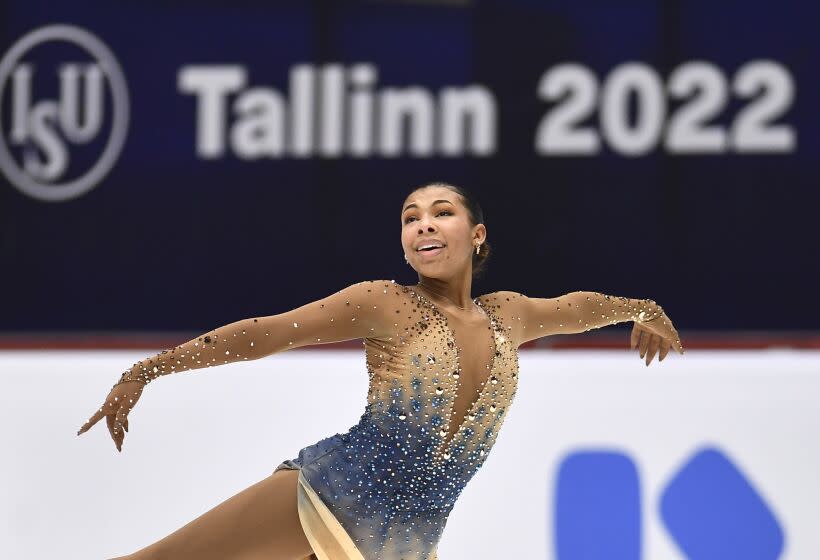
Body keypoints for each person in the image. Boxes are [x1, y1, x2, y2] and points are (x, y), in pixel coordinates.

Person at [78, 181, 683, 560]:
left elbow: (577, 308)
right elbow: (267, 332)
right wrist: (151, 368)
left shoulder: (509, 318)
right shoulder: (384, 303)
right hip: (323, 499)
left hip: (405, 548)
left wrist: (644, 308)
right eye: (409, 216)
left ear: (475, 236)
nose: (422, 223)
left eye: (440, 212)